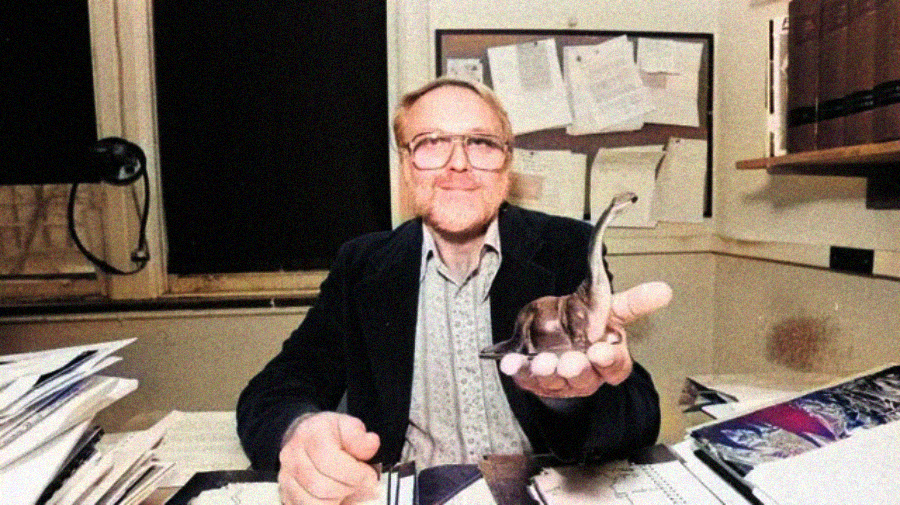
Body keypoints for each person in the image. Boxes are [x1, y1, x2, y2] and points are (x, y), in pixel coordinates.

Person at [236, 77, 673, 505]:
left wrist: (574, 399)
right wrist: (301, 433)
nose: (457, 164)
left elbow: (637, 418)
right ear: (406, 165)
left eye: (481, 143)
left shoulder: (568, 247)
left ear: (506, 162)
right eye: (431, 143)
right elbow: (275, 388)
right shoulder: (361, 265)